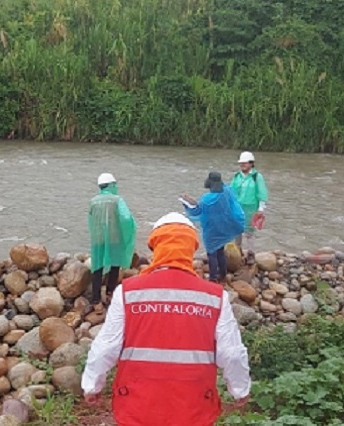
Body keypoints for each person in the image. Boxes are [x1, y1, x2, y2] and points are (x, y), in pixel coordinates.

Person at [81, 212, 252, 426]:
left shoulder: (128, 292)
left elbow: (106, 347)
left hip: (137, 407)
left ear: (155, 247)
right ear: (191, 249)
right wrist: (240, 389)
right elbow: (231, 353)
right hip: (193, 409)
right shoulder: (215, 297)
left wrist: (92, 385)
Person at [87, 173, 137, 316]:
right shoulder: (117, 200)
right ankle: (110, 293)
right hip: (114, 237)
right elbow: (126, 218)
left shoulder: (93, 201)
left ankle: (96, 300)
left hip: (97, 238)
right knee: (115, 264)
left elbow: (90, 219)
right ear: (111, 185)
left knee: (97, 267)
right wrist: (131, 229)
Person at [180, 171, 245, 283]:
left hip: (212, 229)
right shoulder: (227, 191)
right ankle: (223, 275)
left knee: (212, 253)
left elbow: (197, 211)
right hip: (223, 226)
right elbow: (233, 204)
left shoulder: (207, 199)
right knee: (220, 251)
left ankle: (213, 278)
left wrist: (187, 202)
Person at [230, 151, 268, 257]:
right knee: (237, 230)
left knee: (249, 232)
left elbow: (262, 192)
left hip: (251, 208)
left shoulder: (257, 177)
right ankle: (238, 252)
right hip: (237, 207)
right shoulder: (237, 176)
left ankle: (251, 253)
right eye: (241, 163)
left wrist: (261, 208)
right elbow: (231, 192)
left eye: (245, 163)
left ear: (251, 163)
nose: (242, 165)